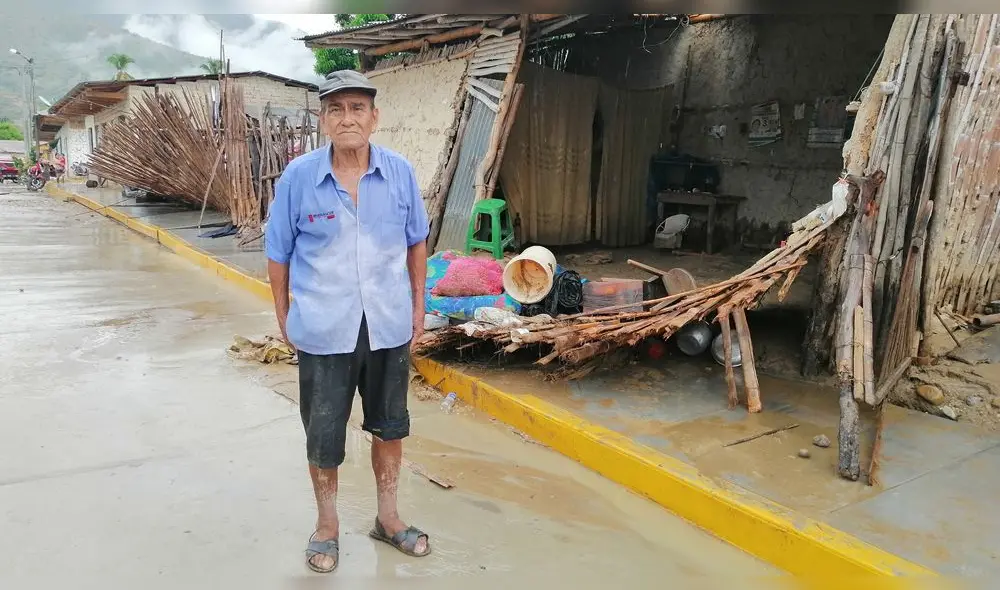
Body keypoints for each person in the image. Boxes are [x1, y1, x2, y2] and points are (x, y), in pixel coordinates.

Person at [264, 69, 430, 575]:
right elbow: (278, 253)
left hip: (387, 324)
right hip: (323, 327)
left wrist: (419, 303)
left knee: (390, 427)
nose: (347, 118)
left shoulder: (400, 172)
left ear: (374, 117)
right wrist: (284, 317)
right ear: (323, 119)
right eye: (336, 109)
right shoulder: (299, 176)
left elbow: (416, 239)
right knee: (324, 433)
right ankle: (328, 526)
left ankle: (388, 517)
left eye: (357, 108)